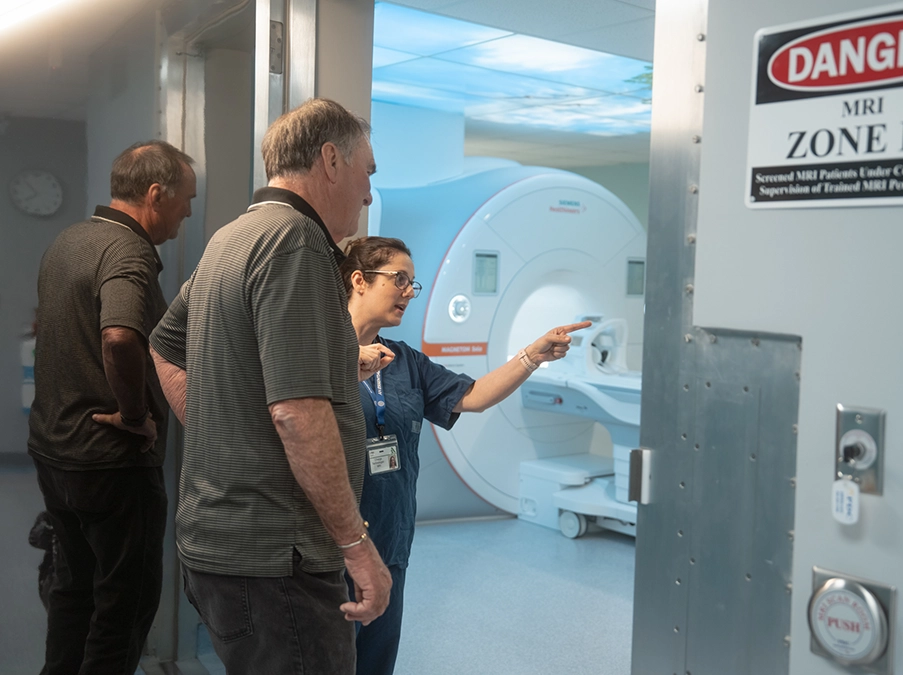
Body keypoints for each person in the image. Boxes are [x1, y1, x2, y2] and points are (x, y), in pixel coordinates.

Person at [149, 98, 392, 675]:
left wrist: (223, 427)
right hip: (276, 560)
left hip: (220, 548)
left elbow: (165, 344)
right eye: (367, 174)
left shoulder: (231, 238)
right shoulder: (297, 242)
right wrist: (357, 546)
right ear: (331, 160)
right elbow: (296, 412)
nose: (367, 194)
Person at [341, 236, 591, 675]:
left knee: (375, 662)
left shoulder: (404, 361)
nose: (407, 292)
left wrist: (532, 355)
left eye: (413, 284)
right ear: (359, 280)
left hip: (391, 539)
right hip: (334, 549)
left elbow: (471, 396)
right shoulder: (316, 353)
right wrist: (342, 364)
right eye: (399, 279)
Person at [28, 140, 196, 675]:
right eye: (185, 199)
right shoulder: (128, 251)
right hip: (112, 464)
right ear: (154, 194)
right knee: (123, 610)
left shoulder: (70, 240)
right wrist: (133, 415)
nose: (188, 211)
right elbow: (120, 335)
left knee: (73, 593)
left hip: (57, 454)